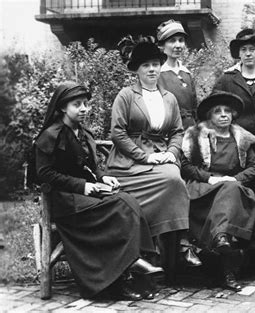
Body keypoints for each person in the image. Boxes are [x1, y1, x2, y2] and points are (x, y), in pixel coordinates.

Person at [33, 82, 163, 300]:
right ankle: (122, 275)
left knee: (128, 201)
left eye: (86, 104)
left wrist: (103, 177)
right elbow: (44, 174)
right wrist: (82, 185)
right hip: (65, 201)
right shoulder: (51, 135)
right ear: (63, 108)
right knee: (119, 206)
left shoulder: (83, 133)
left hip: (84, 197)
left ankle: (135, 267)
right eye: (77, 105)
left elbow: (91, 167)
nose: (84, 108)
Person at [106, 39, 191, 283]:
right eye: (146, 65)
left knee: (173, 178)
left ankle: (176, 254)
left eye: (155, 64)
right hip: (129, 161)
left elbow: (177, 131)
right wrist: (145, 156)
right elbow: (117, 133)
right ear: (137, 70)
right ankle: (171, 250)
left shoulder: (169, 98)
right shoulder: (126, 95)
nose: (152, 69)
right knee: (172, 181)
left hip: (160, 155)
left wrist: (172, 153)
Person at [181, 91, 255, 291]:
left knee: (232, 193)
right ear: (210, 115)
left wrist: (235, 178)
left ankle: (222, 244)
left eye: (227, 111)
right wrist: (211, 178)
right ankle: (224, 256)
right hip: (204, 190)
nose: (223, 115)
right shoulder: (195, 135)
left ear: (233, 114)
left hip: (233, 188)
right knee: (230, 203)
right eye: (218, 111)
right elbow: (185, 165)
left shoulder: (243, 137)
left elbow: (253, 168)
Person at [157, 19, 197, 129]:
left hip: (190, 130)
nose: (178, 45)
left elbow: (195, 108)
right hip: (169, 131)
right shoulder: (158, 75)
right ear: (162, 46)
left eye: (181, 40)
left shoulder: (187, 74)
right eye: (172, 41)